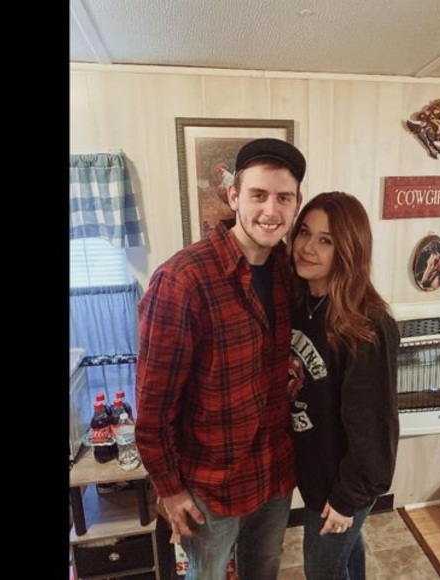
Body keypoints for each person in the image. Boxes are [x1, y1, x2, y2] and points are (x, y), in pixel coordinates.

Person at [135, 138, 306, 579]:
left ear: (296, 203)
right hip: (210, 484)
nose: (271, 210)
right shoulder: (182, 281)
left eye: (283, 198)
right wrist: (170, 490)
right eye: (258, 195)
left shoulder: (290, 271)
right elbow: (153, 410)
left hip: (274, 471)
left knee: (264, 569)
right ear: (233, 196)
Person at [287, 191, 400, 579]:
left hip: (341, 485)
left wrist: (347, 499)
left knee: (321, 570)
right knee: (347, 558)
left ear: (349, 250)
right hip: (316, 475)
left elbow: (374, 424)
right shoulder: (301, 304)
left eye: (326, 240)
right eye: (304, 232)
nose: (307, 247)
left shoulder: (367, 325)